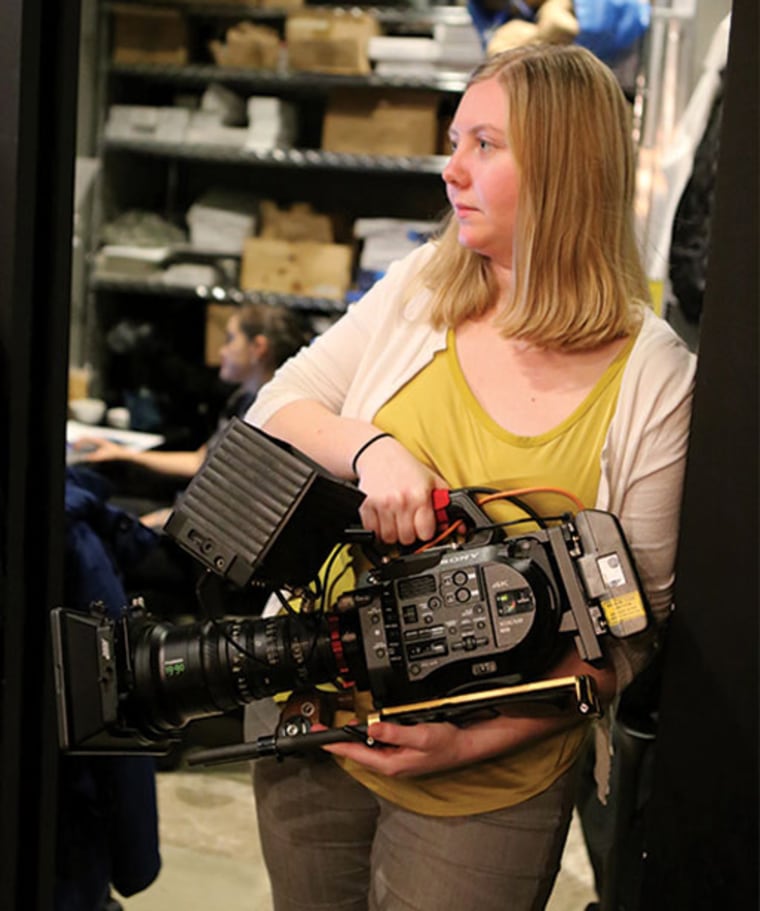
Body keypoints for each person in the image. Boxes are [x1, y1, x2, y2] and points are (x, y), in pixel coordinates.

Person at [244, 44, 696, 911]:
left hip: (489, 789)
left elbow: (631, 636)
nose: (452, 168)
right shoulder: (424, 286)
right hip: (320, 723)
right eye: (456, 140)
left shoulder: (654, 376)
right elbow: (280, 406)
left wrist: (468, 743)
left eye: (485, 143)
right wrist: (374, 448)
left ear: (566, 165)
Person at [75, 301, 309, 527]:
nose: (222, 351)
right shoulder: (242, 399)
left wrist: (166, 519)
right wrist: (123, 453)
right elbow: (202, 460)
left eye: (230, 340)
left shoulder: (267, 416)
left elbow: (232, 500)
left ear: (258, 348)